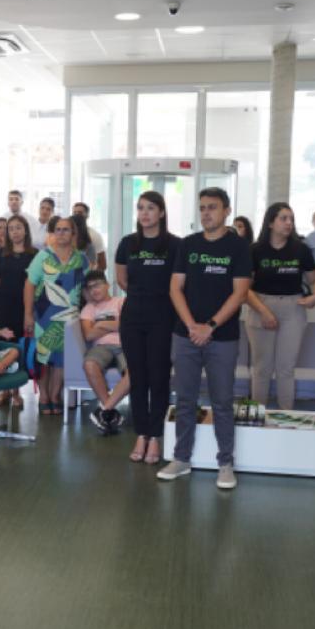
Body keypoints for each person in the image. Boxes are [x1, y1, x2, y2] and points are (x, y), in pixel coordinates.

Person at [158, 187, 252, 490]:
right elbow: (175, 288)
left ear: (226, 210)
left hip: (222, 338)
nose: (206, 213)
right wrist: (191, 326)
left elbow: (239, 294)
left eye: (212, 207)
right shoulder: (188, 244)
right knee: (185, 400)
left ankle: (225, 463)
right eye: (202, 208)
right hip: (185, 336)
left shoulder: (238, 247)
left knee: (222, 402)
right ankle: (181, 458)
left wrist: (209, 326)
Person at [115, 191, 182, 464]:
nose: (144, 213)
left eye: (151, 208)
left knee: (159, 376)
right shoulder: (128, 243)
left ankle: (156, 435)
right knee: (138, 376)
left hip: (163, 316)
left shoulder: (175, 245)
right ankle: (141, 433)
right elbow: (122, 279)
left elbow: (179, 284)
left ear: (162, 213)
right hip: (132, 316)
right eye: (141, 208)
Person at [245, 202, 315, 409]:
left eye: (291, 219)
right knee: (262, 368)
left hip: (292, 308)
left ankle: (287, 416)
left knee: (286, 368)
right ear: (270, 223)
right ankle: (257, 415)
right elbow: (244, 288)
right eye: (283, 218)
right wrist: (264, 312)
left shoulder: (301, 249)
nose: (289, 223)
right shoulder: (255, 250)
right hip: (260, 306)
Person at [24, 215, 88, 415]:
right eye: (57, 229)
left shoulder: (82, 259)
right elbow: (29, 285)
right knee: (43, 357)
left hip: (70, 317)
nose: (61, 233)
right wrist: (27, 314)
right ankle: (43, 396)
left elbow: (88, 287)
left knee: (62, 358)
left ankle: (55, 395)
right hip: (44, 316)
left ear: (73, 233)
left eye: (65, 229)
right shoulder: (43, 256)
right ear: (52, 233)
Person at [0, 214, 37, 407]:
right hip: (4, 306)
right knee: (4, 345)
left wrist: (29, 309)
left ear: (25, 230)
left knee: (20, 346)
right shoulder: (1, 253)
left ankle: (17, 391)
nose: (15, 232)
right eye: (11, 229)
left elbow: (36, 282)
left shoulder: (34, 254)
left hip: (24, 306)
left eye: (18, 228)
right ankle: (4, 390)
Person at [80, 270, 130, 436]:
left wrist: (100, 325)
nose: (94, 290)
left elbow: (126, 326)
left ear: (107, 285)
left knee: (136, 370)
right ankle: (110, 412)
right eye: (90, 287)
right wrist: (114, 325)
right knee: (89, 364)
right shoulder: (89, 309)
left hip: (125, 346)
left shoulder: (121, 302)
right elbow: (89, 335)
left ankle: (105, 410)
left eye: (97, 285)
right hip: (101, 347)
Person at [72, 202, 108, 273]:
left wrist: (90, 275)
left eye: (80, 212)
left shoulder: (94, 236)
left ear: (87, 215)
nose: (77, 215)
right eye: (74, 212)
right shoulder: (67, 234)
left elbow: (102, 265)